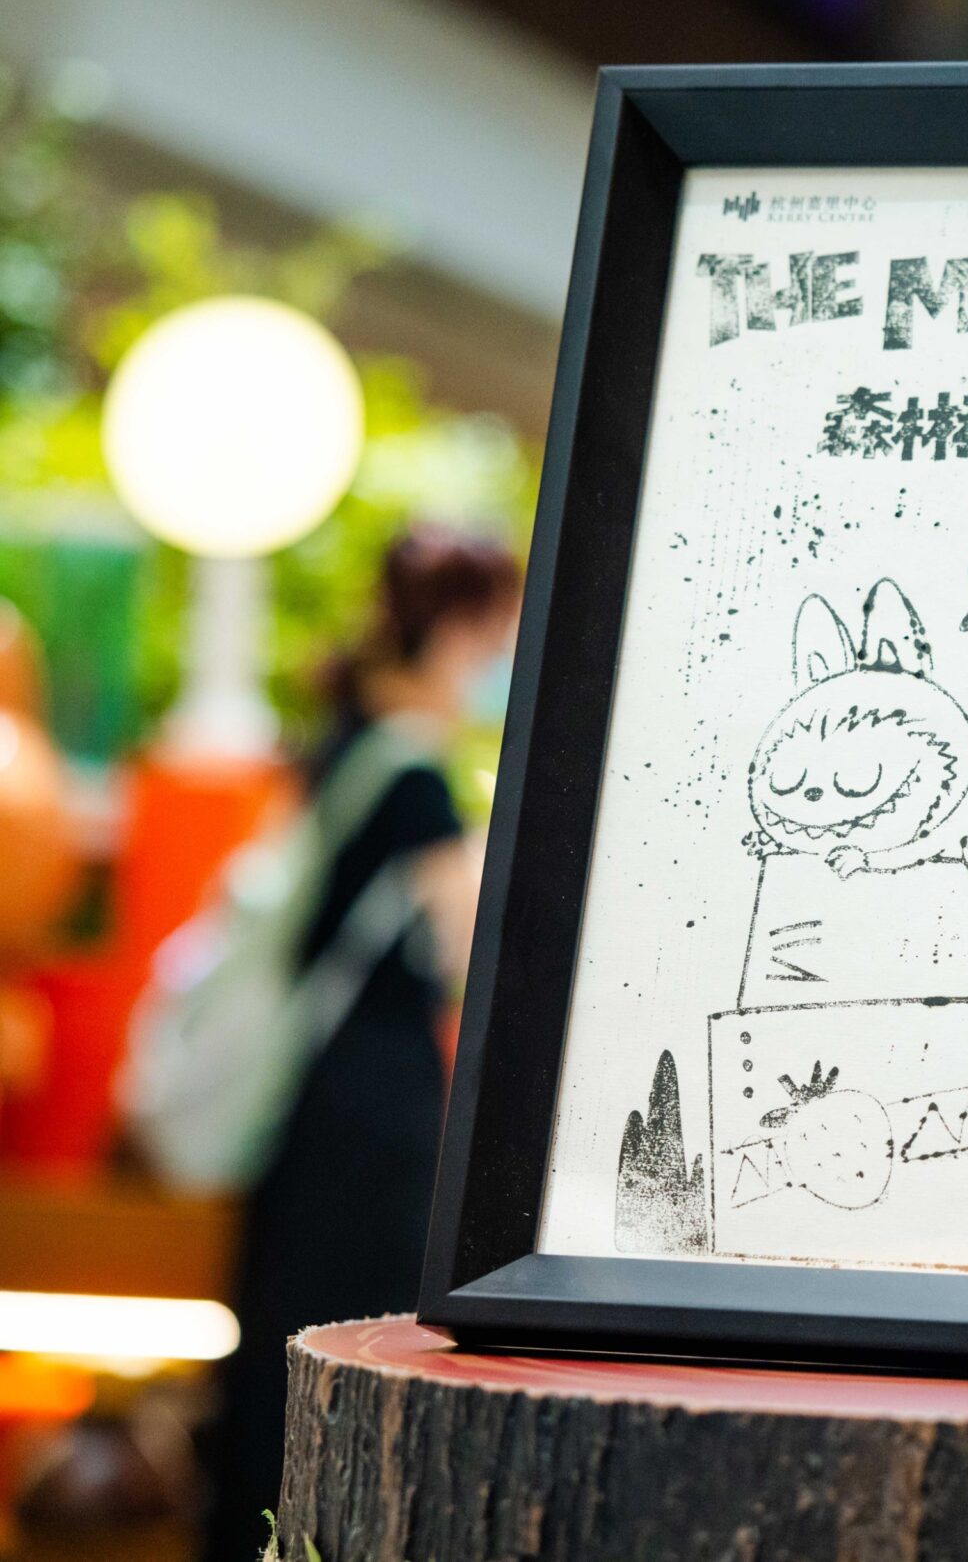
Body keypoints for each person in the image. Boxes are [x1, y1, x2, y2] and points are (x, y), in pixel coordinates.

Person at [198, 527, 519, 1562]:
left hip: (313, 1100)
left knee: (283, 1342)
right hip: (371, 1115)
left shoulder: (343, 740)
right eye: (500, 630)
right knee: (352, 1342)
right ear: (461, 628)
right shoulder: (410, 773)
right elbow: (472, 947)